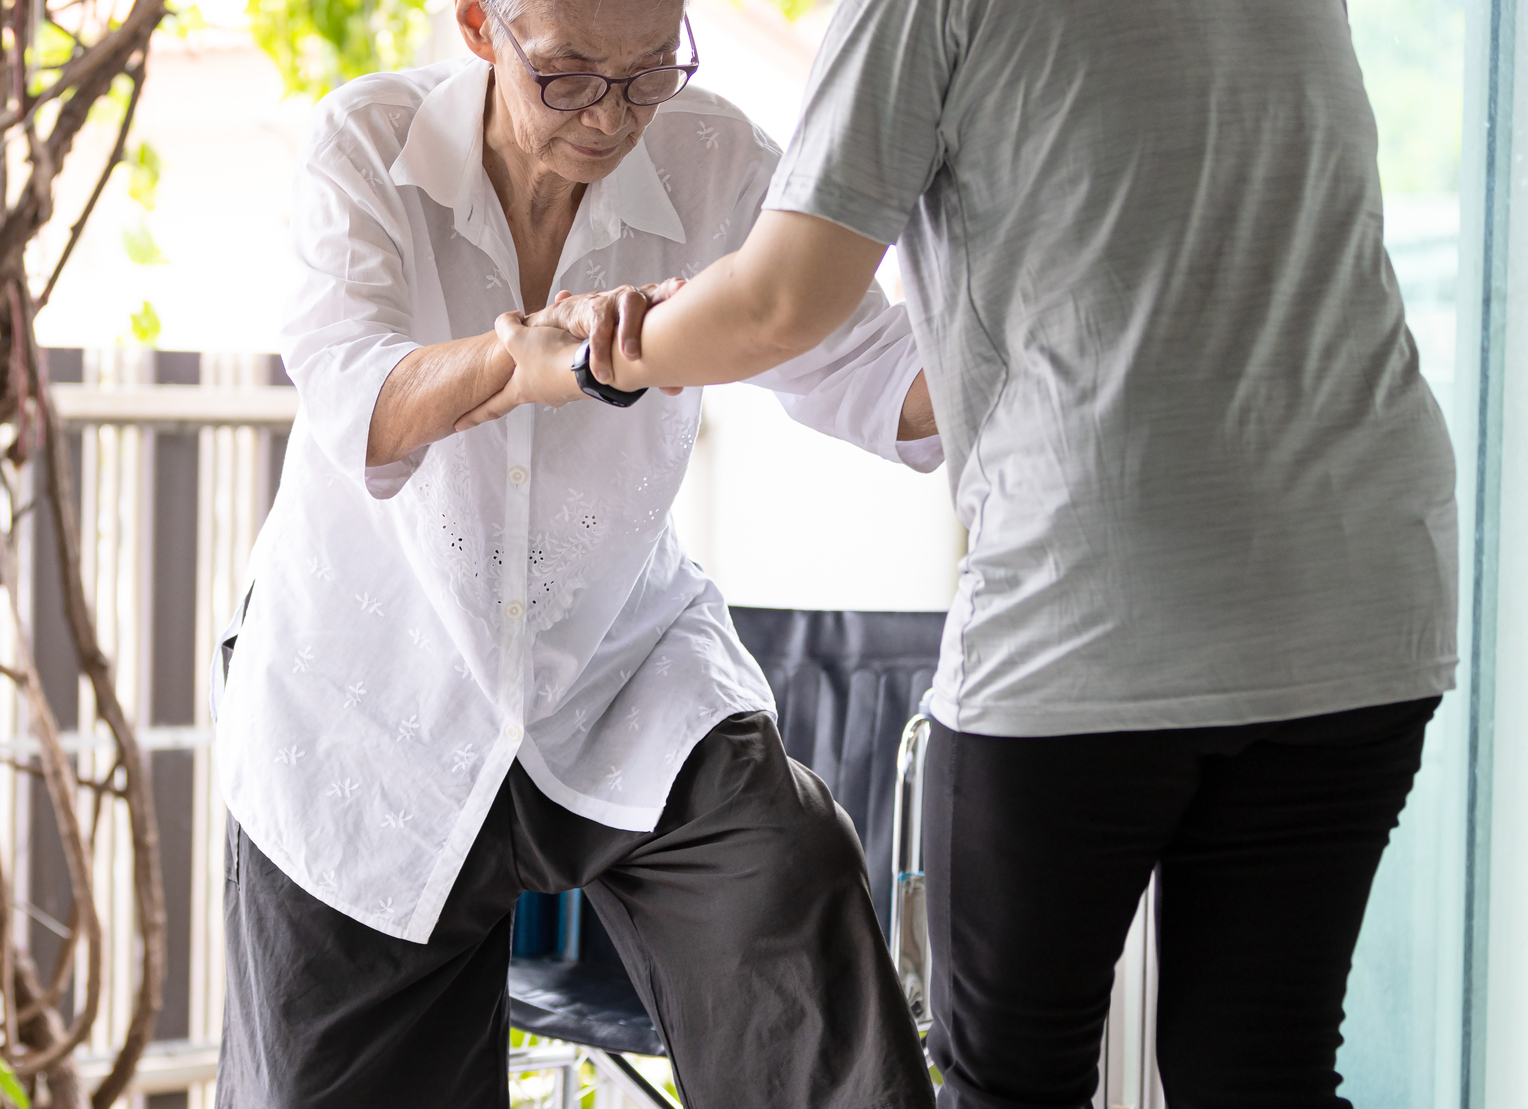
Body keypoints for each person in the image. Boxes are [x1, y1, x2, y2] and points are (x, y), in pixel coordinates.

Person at [489, 2, 1460, 1105]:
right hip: (1361, 575)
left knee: (1011, 1084)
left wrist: (578, 356)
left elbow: (782, 297)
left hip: (1094, 596)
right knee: (1260, 1070)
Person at [211, 0, 943, 1104]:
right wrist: (526, 363)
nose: (610, 115)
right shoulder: (365, 142)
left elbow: (868, 367)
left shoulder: (717, 157)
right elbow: (357, 400)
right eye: (567, 78)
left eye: (650, 71)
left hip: (621, 666)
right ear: (477, 29)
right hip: (368, 698)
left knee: (787, 881)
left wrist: (1060, 371)